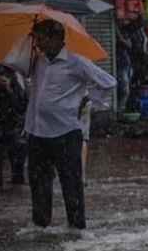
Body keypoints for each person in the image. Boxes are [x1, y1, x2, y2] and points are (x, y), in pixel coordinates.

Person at [21, 18, 116, 229]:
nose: (38, 43)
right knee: (39, 185)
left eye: (41, 38)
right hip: (37, 132)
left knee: (71, 185)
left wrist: (89, 98)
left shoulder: (76, 62)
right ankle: (41, 228)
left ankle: (76, 231)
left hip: (65, 133)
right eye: (36, 39)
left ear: (56, 39)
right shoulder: (36, 61)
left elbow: (109, 82)